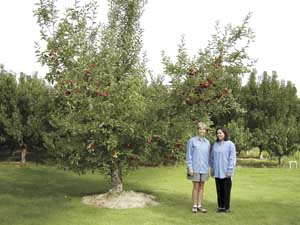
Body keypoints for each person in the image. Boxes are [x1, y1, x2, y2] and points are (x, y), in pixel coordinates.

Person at [210, 127, 236, 213]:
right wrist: (212, 169)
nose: (218, 134)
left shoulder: (230, 144)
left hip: (226, 172)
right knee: (219, 190)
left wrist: (230, 170)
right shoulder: (215, 145)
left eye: (220, 133)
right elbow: (212, 158)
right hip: (217, 172)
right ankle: (220, 206)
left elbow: (232, 158)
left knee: (226, 190)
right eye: (217, 133)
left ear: (224, 134)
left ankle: (226, 207)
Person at [186, 122, 211, 213]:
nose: (202, 130)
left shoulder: (208, 143)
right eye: (200, 128)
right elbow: (189, 156)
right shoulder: (192, 141)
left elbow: (208, 156)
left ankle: (200, 205)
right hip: (195, 168)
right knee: (196, 187)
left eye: (203, 129)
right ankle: (194, 206)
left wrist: (208, 168)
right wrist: (190, 168)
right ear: (198, 130)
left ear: (206, 131)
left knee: (202, 187)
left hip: (204, 168)